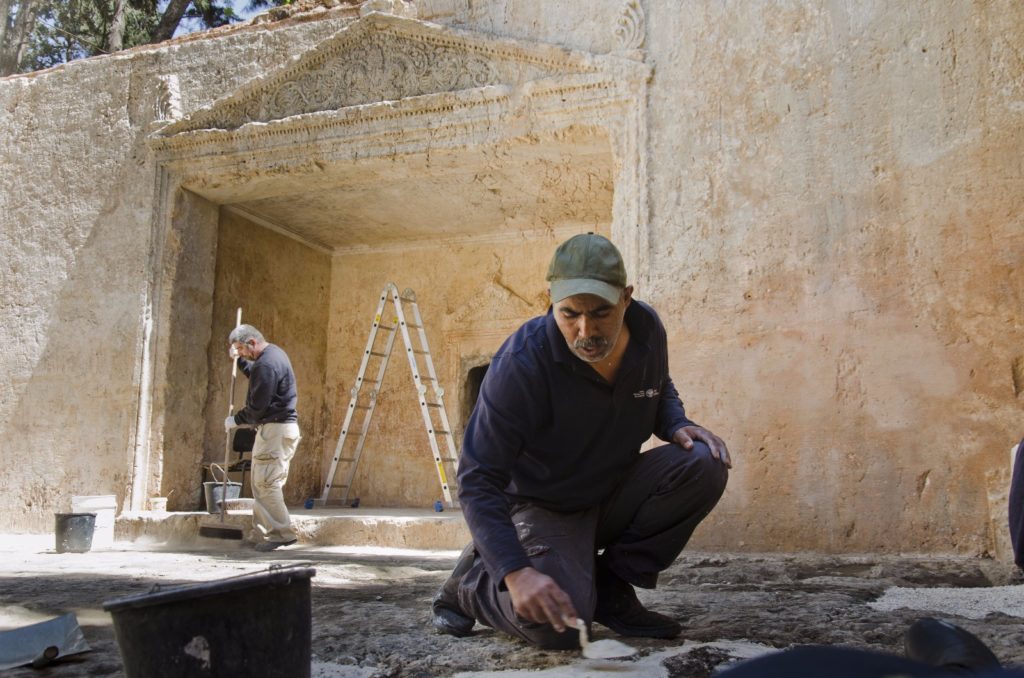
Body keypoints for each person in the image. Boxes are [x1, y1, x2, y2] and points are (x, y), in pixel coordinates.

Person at [431, 233, 732, 650]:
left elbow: (657, 384)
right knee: (562, 625)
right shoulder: (521, 364)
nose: (585, 330)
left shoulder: (648, 331)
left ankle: (609, 587)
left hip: (611, 491)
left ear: (626, 298)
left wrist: (675, 422)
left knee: (703, 461)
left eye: (601, 313)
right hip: (544, 506)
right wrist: (515, 572)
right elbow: (477, 478)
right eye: (569, 313)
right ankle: (472, 584)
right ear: (549, 300)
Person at [225, 324, 301, 552]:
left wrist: (236, 420)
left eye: (241, 349)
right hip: (278, 430)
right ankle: (267, 532)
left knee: (266, 484)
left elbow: (257, 407)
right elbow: (257, 377)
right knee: (264, 484)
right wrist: (239, 361)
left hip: (275, 430)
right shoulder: (271, 356)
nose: (241, 352)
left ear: (252, 343)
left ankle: (281, 534)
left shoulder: (267, 363)